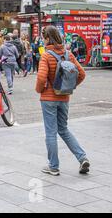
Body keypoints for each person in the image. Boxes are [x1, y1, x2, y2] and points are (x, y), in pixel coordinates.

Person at [35, 25, 89, 176]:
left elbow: (41, 77)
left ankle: (53, 166)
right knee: (64, 129)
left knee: (51, 132)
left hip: (48, 99)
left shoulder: (46, 55)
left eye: (43, 38)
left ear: (47, 38)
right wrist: (70, 87)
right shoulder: (68, 54)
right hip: (64, 97)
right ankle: (82, 157)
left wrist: (39, 90)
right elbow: (82, 74)